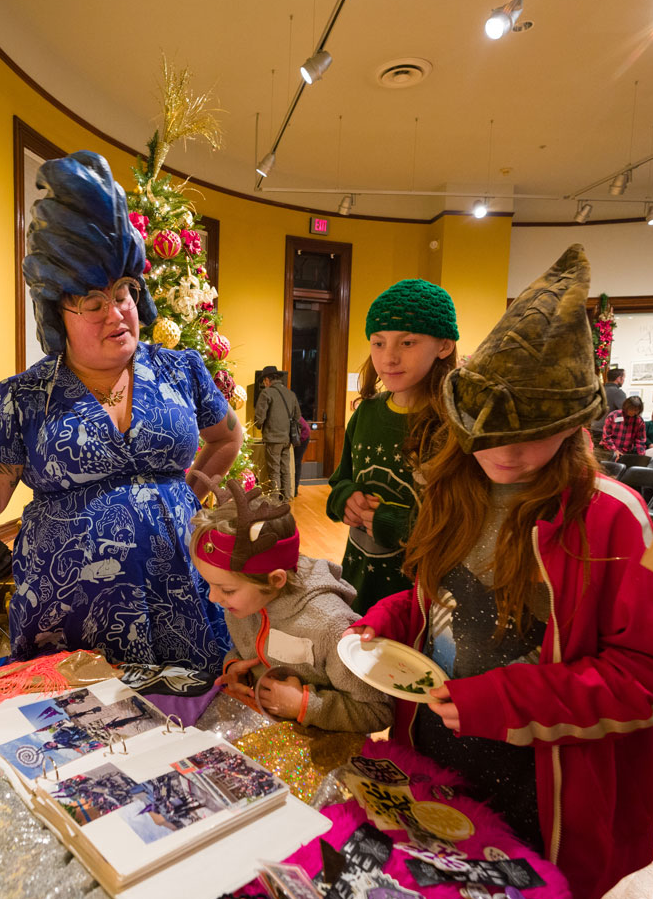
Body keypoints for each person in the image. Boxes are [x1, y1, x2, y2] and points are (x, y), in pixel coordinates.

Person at [348, 245, 653, 899]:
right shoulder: (453, 485)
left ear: (574, 423)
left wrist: (506, 701)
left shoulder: (609, 518)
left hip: (548, 788)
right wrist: (388, 623)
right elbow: (439, 600)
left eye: (533, 433)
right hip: (434, 755)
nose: (504, 451)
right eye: (485, 431)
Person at [0, 151, 241, 674]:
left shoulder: (182, 370)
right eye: (92, 300)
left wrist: (185, 497)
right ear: (57, 311)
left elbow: (226, 438)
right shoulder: (22, 396)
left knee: (186, 720)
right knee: (75, 736)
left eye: (124, 291)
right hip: (71, 613)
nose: (116, 312)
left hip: (180, 598)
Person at [192, 478, 392, 733]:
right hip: (263, 737)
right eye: (210, 584)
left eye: (226, 589)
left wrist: (306, 705)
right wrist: (235, 669)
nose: (213, 598)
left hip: (321, 755)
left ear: (276, 580)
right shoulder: (244, 605)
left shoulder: (331, 626)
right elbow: (250, 652)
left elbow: (377, 711)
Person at [327, 278, 459, 614]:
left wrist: (399, 525)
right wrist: (346, 500)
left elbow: (465, 520)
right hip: (359, 581)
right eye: (378, 343)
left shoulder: (453, 425)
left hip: (424, 596)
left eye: (408, 342)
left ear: (443, 346)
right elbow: (341, 480)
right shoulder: (366, 413)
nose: (389, 357)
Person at [253, 366, 300, 499]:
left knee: (274, 470)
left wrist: (259, 425)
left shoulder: (266, 393)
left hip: (273, 438)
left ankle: (274, 500)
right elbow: (298, 416)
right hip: (287, 439)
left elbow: (259, 417)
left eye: (264, 381)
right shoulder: (291, 394)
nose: (264, 384)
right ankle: (287, 497)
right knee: (285, 469)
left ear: (267, 380)